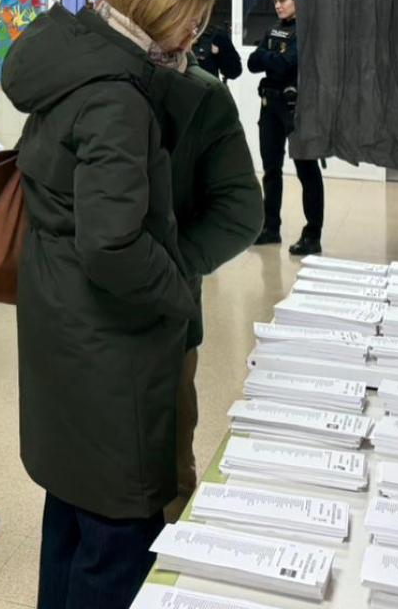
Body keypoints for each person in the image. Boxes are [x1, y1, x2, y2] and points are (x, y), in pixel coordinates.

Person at [2, 0, 215, 609]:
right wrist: (179, 291)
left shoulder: (72, 68)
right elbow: (114, 244)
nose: (195, 38)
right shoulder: (117, 99)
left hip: (64, 321)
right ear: (163, 16)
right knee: (117, 536)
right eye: (193, 23)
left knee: (69, 515)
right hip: (110, 343)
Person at [159, 61, 262, 522]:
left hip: (161, 308)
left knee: (168, 448)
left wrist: (168, 265)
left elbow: (238, 211)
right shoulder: (82, 78)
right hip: (127, 312)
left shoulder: (198, 95)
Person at [248, 0, 324, 256]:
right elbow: (252, 63)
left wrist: (268, 56)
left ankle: (312, 235)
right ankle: (270, 228)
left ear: (297, 2)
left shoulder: (306, 33)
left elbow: (284, 64)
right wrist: (272, 57)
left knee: (307, 171)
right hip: (270, 106)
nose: (277, 5)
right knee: (271, 169)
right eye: (276, 1)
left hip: (297, 108)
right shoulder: (273, 29)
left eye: (283, 0)